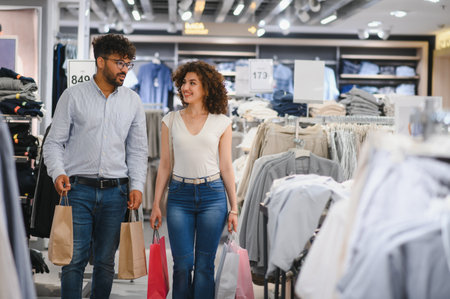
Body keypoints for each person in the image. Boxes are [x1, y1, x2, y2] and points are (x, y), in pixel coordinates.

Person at [43, 34, 148, 299]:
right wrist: (58, 172)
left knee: (105, 262)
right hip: (78, 190)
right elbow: (54, 143)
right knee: (73, 259)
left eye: (128, 63)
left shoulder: (132, 101)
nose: (125, 69)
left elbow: (137, 150)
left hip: (117, 192)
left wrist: (137, 185)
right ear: (100, 61)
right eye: (119, 62)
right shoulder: (73, 96)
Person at [150, 60, 238, 299]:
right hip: (179, 197)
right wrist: (156, 203)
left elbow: (226, 167)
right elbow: (165, 165)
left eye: (192, 83)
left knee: (203, 266)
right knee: (181, 265)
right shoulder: (170, 120)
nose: (185, 88)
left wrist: (234, 208)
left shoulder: (222, 122)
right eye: (183, 83)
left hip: (213, 196)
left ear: (206, 88)